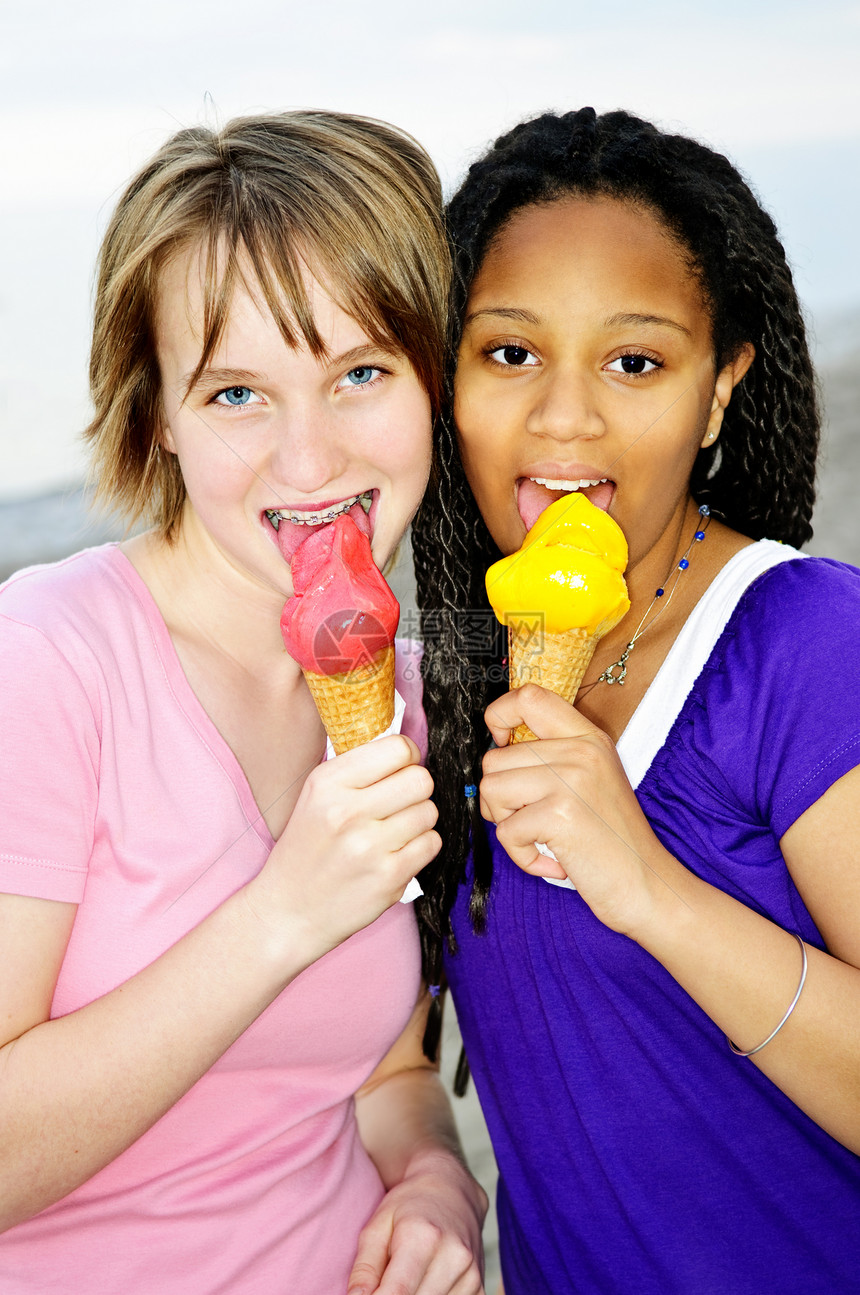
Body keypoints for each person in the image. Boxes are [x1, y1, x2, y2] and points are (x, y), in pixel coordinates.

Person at [0, 111, 487, 1295]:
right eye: (235, 395)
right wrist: (280, 911)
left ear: (434, 378)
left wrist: (434, 1181)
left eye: (360, 371)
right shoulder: (47, 663)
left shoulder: (404, 702)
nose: (308, 459)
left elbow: (384, 1073)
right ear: (156, 412)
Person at [411, 107, 860, 1294]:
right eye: (508, 353)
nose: (564, 419)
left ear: (718, 392)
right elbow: (403, 1071)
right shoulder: (447, 687)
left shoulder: (808, 642)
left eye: (635, 361)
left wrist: (649, 886)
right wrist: (428, 1183)